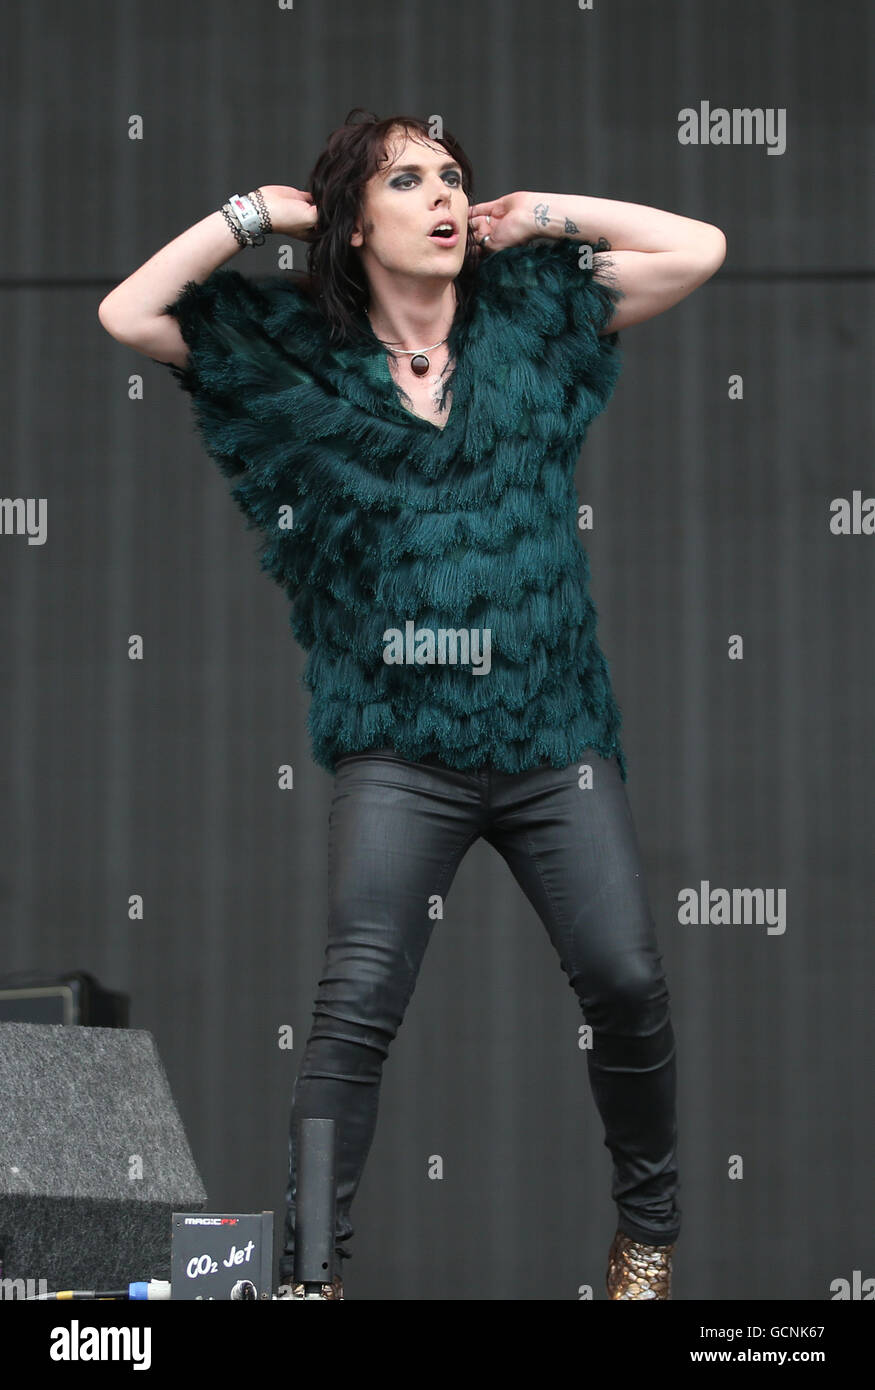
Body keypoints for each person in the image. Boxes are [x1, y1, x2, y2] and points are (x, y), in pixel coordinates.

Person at [98, 108, 726, 1301]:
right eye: (405, 179)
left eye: (452, 178)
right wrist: (252, 215)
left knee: (627, 981)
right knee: (355, 1002)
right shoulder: (293, 362)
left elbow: (696, 245)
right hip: (399, 749)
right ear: (352, 224)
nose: (442, 196)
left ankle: (644, 1239)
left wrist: (538, 213)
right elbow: (129, 312)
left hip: (552, 740)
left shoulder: (533, 325)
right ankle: (306, 1279)